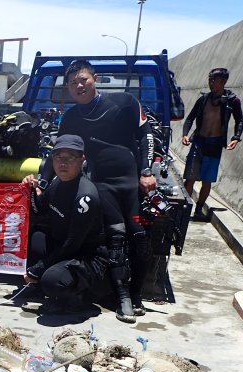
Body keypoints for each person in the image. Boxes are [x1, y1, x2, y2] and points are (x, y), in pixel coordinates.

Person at [56, 59, 156, 323]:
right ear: (68, 88)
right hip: (102, 185)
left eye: (83, 80)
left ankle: (136, 295)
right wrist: (43, 184)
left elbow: (147, 134)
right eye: (73, 83)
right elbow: (59, 155)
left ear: (95, 78)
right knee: (116, 237)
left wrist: (146, 172)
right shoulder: (70, 118)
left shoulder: (124, 102)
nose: (79, 85)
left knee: (141, 234)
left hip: (133, 183)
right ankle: (122, 297)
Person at [22, 135, 107, 313]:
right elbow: (39, 210)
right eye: (58, 157)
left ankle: (76, 296)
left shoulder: (85, 196)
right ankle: (39, 287)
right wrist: (30, 190)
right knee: (34, 237)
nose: (63, 163)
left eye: (70, 158)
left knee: (51, 280)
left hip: (87, 257)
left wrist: (38, 268)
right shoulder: (58, 183)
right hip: (63, 246)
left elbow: (72, 244)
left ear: (82, 159)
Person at [182, 67, 243, 220]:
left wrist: (236, 137)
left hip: (215, 145)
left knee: (206, 180)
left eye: (214, 80)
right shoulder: (203, 99)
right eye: (209, 79)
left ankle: (198, 209)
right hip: (198, 142)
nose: (211, 83)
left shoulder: (232, 101)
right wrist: (185, 134)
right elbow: (190, 118)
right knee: (189, 177)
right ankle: (184, 210)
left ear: (223, 81)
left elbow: (239, 120)